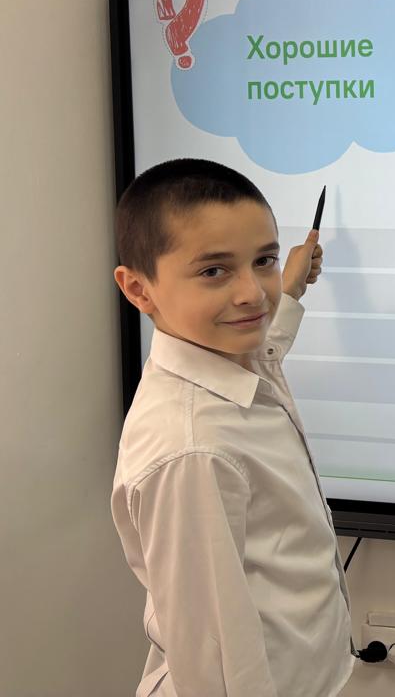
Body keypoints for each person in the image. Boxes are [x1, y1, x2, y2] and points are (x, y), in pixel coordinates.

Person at [110, 158, 353, 697]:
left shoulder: (224, 360)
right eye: (213, 271)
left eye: (262, 260)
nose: (253, 294)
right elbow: (216, 666)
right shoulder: (193, 450)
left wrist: (289, 288)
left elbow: (265, 352)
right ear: (139, 290)